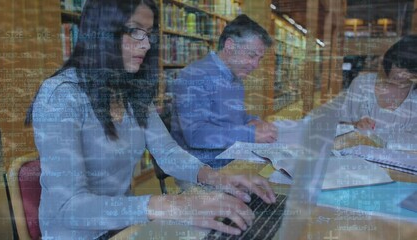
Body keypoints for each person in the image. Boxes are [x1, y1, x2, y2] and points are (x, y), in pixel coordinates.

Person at [25, 1, 276, 239]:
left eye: (148, 34)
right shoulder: (59, 97)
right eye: (135, 31)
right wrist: (170, 204)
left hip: (125, 225)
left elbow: (167, 152)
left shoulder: (132, 92)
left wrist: (216, 177)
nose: (145, 45)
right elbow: (68, 207)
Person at [170, 14, 278, 168]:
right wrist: (251, 134)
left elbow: (233, 118)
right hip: (201, 170)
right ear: (230, 46)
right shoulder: (193, 76)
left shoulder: (236, 76)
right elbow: (196, 135)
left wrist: (253, 121)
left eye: (259, 59)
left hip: (233, 158)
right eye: (251, 55)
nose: (255, 65)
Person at [340, 35, 417, 132]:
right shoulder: (361, 84)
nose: (401, 75)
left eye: (410, 71)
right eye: (399, 65)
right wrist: (356, 125)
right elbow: (341, 124)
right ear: (390, 58)